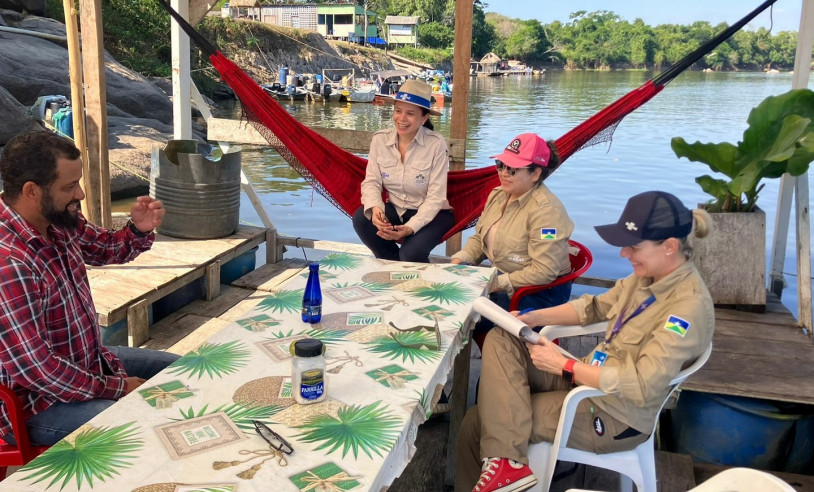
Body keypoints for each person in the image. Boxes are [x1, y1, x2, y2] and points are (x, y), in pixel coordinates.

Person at [456, 191, 715, 492]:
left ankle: (506, 464)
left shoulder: (687, 309)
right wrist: (534, 317)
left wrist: (565, 366)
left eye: (633, 246)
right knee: (503, 336)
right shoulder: (646, 278)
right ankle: (505, 465)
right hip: (587, 377)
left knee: (482, 422)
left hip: (614, 413)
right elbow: (593, 307)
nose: (624, 254)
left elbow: (642, 385)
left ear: (670, 246)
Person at [0, 130, 180, 446]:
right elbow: (39, 370)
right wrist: (118, 388)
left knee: (184, 372)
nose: (80, 195)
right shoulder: (9, 262)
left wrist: (138, 229)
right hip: (33, 405)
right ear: (31, 191)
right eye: (69, 187)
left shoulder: (56, 218)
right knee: (146, 428)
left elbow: (104, 248)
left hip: (88, 362)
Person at [451, 133, 574, 344]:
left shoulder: (547, 212)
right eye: (501, 164)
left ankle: (497, 367)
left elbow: (544, 272)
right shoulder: (498, 194)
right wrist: (459, 260)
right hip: (505, 282)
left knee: (458, 318)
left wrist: (493, 284)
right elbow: (481, 238)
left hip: (539, 294)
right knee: (450, 304)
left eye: (513, 169)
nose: (503, 173)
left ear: (535, 173)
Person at [352, 79, 454, 263]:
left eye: (410, 114)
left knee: (410, 254)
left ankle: (417, 283)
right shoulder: (380, 140)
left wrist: (410, 227)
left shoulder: (436, 144)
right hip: (397, 208)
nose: (402, 118)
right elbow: (372, 182)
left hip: (434, 213)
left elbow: (436, 198)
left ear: (424, 118)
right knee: (362, 219)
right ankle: (393, 268)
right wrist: (376, 209)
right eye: (398, 111)